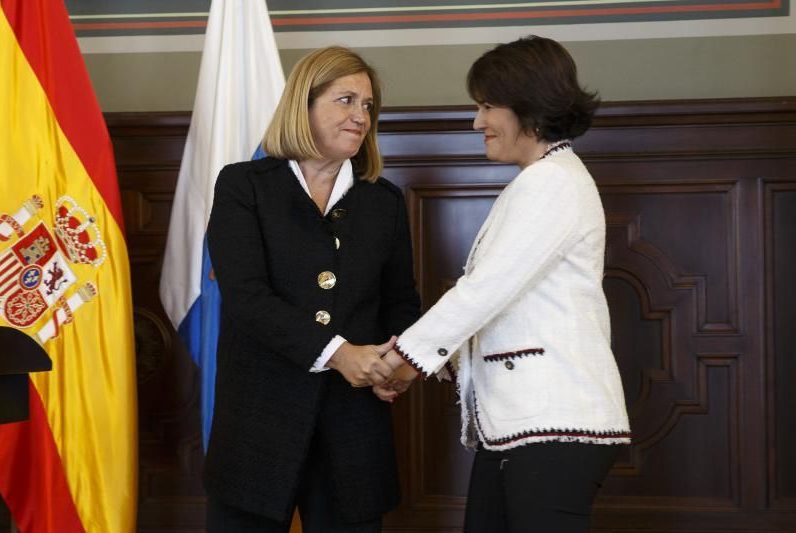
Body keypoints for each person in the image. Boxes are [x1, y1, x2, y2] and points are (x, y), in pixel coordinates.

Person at [376, 36, 632, 532]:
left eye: (487, 105)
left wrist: (403, 362)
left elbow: (484, 292)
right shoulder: (544, 178)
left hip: (554, 429)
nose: (477, 122)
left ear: (530, 107)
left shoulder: (551, 182)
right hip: (525, 429)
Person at [204, 46, 421, 532]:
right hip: (258, 423)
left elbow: (400, 300)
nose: (360, 117)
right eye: (346, 100)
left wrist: (401, 358)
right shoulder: (244, 186)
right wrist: (340, 352)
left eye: (367, 106)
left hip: (353, 427)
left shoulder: (383, 201)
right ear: (303, 104)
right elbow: (246, 298)